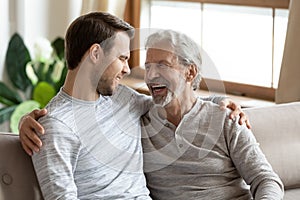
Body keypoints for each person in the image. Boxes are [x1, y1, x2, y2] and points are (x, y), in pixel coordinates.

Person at [18, 12, 250, 199]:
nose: (127, 70)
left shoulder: (122, 99)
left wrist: (220, 103)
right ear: (96, 54)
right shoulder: (55, 127)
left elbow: (174, 101)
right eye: (122, 58)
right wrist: (27, 122)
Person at [141, 29, 284, 199]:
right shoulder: (138, 122)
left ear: (190, 72)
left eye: (162, 65)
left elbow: (265, 179)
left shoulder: (226, 119)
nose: (151, 75)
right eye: (147, 67)